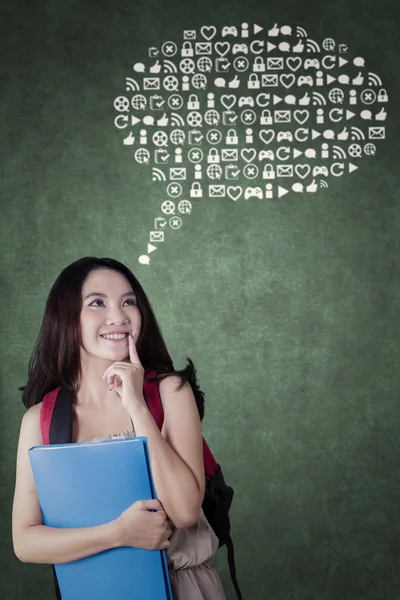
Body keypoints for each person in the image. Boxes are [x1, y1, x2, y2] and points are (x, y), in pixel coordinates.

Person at [12, 256, 226, 600]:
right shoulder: (41, 421)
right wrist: (119, 533)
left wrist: (137, 408)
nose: (119, 316)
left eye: (129, 302)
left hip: (183, 588)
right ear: (65, 318)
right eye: (97, 302)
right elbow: (25, 542)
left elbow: (185, 511)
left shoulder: (170, 392)